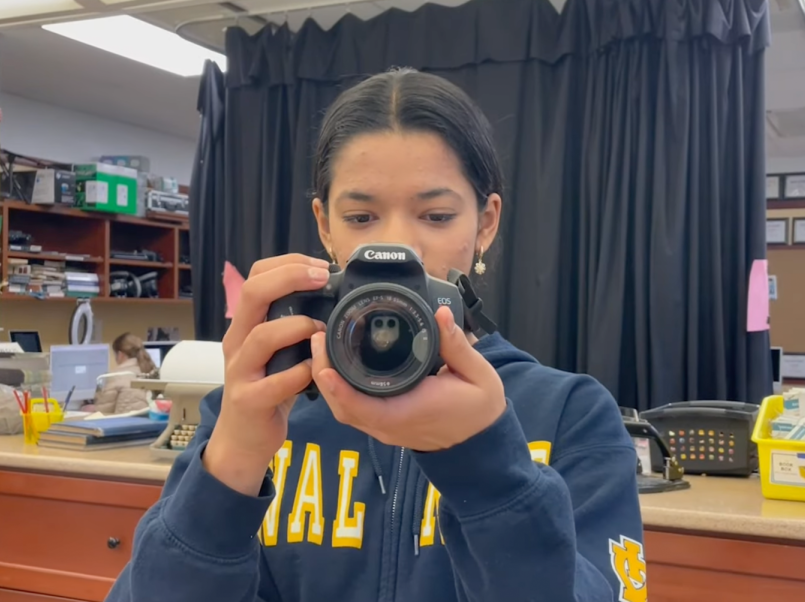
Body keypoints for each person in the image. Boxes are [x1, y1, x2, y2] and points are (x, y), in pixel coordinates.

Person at [106, 69, 645, 602]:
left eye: (435, 215)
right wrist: (231, 462)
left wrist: (488, 466)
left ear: (484, 223)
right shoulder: (268, 403)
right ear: (324, 226)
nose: (398, 246)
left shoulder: (572, 414)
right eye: (361, 217)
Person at [88, 333, 155, 415]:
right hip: (150, 425)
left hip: (123, 425)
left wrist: (90, 408)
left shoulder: (114, 376)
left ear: (120, 355)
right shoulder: (150, 371)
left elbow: (103, 412)